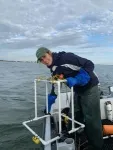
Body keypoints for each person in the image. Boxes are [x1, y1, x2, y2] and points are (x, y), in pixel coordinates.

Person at [36, 47, 103, 150]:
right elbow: (56, 84)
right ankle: (77, 136)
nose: (44, 61)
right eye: (41, 60)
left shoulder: (66, 58)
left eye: (44, 57)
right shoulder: (54, 69)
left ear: (49, 53)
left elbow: (89, 64)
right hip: (77, 90)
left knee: (91, 118)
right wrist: (51, 98)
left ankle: (97, 146)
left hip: (90, 87)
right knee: (74, 113)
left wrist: (78, 78)